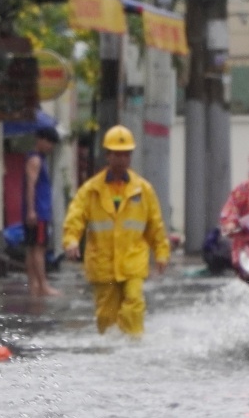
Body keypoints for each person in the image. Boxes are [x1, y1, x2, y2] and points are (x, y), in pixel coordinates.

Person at [61, 125, 172, 337]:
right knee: (106, 315)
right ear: (107, 156)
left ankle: (132, 343)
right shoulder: (91, 190)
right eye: (117, 154)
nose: (121, 159)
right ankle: (111, 349)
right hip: (103, 263)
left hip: (132, 262)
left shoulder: (143, 190)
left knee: (134, 302)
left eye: (125, 154)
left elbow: (155, 225)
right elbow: (75, 217)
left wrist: (162, 252)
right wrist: (71, 240)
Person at [22, 126, 61, 297]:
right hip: (39, 211)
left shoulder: (35, 159)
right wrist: (32, 210)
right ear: (41, 140)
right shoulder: (36, 160)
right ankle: (43, 285)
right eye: (50, 142)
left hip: (36, 210)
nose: (51, 146)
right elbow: (31, 186)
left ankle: (33, 285)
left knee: (32, 249)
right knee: (38, 249)